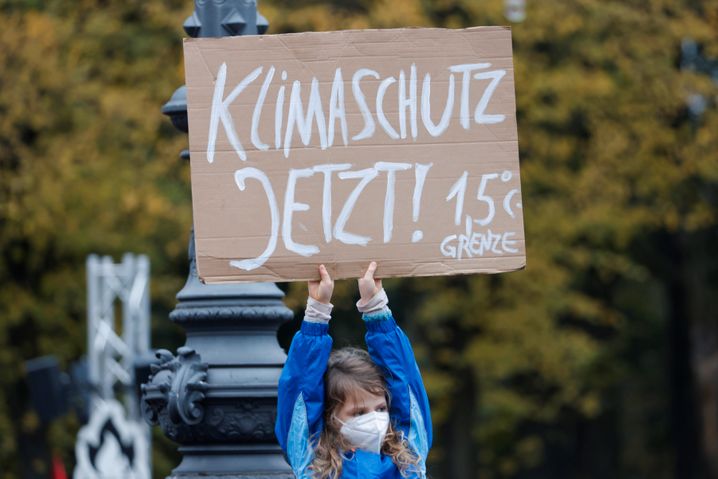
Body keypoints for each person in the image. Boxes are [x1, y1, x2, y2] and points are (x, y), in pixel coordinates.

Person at [275, 262, 432, 479]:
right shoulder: (316, 468)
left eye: (380, 408)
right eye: (358, 413)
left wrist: (376, 307)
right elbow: (300, 399)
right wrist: (316, 313)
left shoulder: (407, 464)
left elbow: (406, 387)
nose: (374, 420)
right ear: (332, 418)